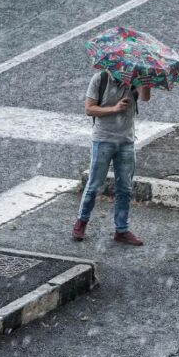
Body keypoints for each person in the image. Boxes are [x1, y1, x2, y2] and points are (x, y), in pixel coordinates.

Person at [73, 71, 151, 245]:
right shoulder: (100, 79)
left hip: (126, 141)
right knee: (94, 185)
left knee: (125, 188)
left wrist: (146, 80)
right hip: (103, 140)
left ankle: (121, 230)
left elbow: (145, 97)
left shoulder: (135, 79)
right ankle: (81, 222)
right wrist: (114, 109)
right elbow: (89, 109)